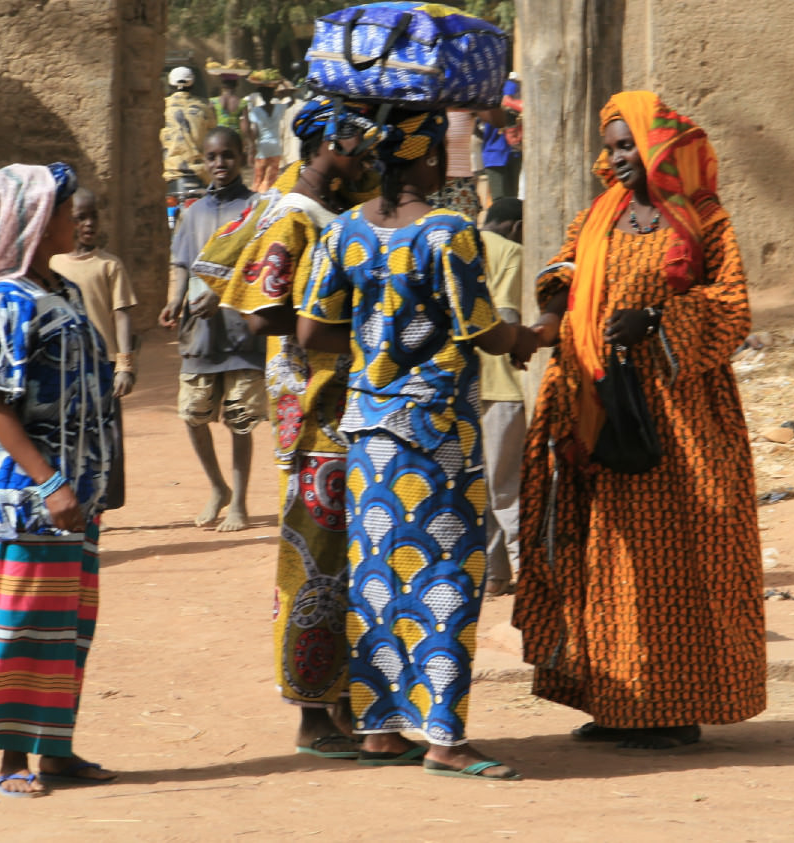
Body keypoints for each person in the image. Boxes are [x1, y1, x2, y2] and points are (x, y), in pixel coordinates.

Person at [513, 91, 765, 751]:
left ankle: (674, 707)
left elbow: (733, 307)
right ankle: (617, 700)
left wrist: (656, 322)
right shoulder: (600, 215)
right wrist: (546, 323)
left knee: (671, 557)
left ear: (659, 147)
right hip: (596, 406)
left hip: (680, 420)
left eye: (629, 145)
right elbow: (564, 272)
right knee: (603, 552)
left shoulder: (705, 219)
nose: (617, 157)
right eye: (613, 146)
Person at [298, 109, 540, 780]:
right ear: (430, 157)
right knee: (445, 577)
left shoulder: (345, 230)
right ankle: (444, 738)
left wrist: (378, 346)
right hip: (436, 437)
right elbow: (485, 332)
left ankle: (379, 730)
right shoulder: (449, 233)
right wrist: (533, 335)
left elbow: (311, 332)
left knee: (377, 578)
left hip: (368, 434)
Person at [192, 98, 383, 759]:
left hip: (339, 403)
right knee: (315, 556)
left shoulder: (325, 210)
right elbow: (260, 315)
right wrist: (347, 323)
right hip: (314, 409)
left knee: (343, 556)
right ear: (323, 143)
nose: (363, 152)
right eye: (353, 140)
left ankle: (342, 700)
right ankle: (312, 712)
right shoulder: (293, 216)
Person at [0, 162, 119, 797]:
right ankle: (11, 758)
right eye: (68, 210)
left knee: (69, 627)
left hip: (76, 497)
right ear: (37, 222)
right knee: (23, 627)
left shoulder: (61, 291)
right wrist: (50, 483)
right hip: (32, 497)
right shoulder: (7, 301)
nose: (78, 219)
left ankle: (57, 749)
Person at [159, 127, 265, 532]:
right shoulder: (193, 212)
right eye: (211, 157)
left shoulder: (256, 209)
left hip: (241, 330)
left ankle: (239, 500)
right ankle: (217, 486)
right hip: (200, 331)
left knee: (240, 418)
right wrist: (174, 299)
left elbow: (259, 269)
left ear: (242, 156)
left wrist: (225, 296)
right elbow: (182, 263)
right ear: (203, 161)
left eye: (227, 156)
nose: (219, 164)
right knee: (193, 413)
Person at [50, 187, 138, 510]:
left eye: (93, 217)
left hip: (103, 368)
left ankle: (101, 500)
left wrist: (125, 364)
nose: (88, 224)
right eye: (79, 218)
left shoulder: (109, 265)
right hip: (66, 367)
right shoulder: (54, 264)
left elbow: (122, 314)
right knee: (70, 437)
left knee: (107, 439)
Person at [475, 198, 525, 596]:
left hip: (464, 384)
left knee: (483, 487)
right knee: (509, 489)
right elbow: (507, 317)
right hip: (506, 383)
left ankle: (494, 575)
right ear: (515, 226)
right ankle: (530, 575)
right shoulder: (514, 253)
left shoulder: (462, 244)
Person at [161, 66, 214, 187]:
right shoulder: (205, 108)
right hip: (201, 174)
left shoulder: (161, 106)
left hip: (169, 172)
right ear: (193, 85)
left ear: (169, 85)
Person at [426, 109, 481, 218]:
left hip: (460, 184)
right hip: (428, 183)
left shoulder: (464, 100)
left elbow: (497, 119)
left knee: (463, 232)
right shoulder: (426, 103)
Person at [243, 68, 292, 192]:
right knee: (270, 180)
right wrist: (282, 82)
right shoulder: (279, 108)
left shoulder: (256, 111)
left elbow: (254, 132)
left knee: (258, 178)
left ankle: (256, 199)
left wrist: (251, 149)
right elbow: (291, 99)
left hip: (262, 148)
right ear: (273, 94)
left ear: (260, 95)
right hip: (276, 148)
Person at [205, 58, 250, 130]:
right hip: (235, 136)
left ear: (222, 84)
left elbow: (208, 122)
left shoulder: (212, 102)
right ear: (237, 84)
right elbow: (246, 128)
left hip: (218, 133)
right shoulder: (242, 103)